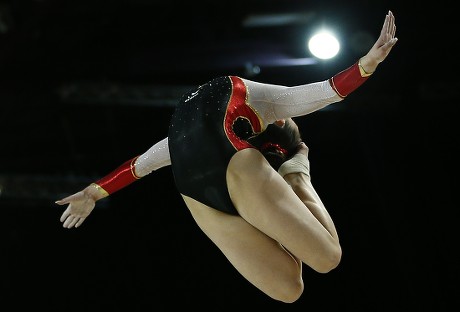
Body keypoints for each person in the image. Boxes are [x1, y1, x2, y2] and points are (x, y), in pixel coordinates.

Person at [55, 11, 397, 303]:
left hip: (196, 193)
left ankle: (292, 172)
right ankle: (297, 171)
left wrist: (95, 191)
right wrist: (365, 65)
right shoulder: (261, 102)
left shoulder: (187, 132)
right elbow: (324, 92)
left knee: (292, 287)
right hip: (233, 169)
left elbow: (139, 165)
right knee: (323, 262)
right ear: (277, 124)